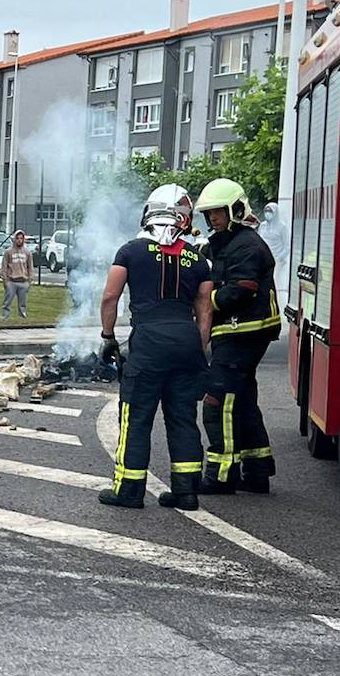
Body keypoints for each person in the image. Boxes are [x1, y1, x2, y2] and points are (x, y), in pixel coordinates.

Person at [96, 185, 212, 511]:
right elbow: (205, 312)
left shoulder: (129, 252)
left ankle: (129, 491)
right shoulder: (199, 261)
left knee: (136, 418)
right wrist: (200, 351)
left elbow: (110, 296)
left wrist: (108, 337)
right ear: (183, 221)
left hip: (148, 345)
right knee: (183, 419)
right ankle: (186, 492)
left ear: (148, 215)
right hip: (187, 343)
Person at [196, 177, 282, 495]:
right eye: (209, 214)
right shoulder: (228, 241)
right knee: (243, 400)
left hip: (243, 330)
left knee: (218, 400)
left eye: (218, 212)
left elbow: (241, 291)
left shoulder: (246, 244)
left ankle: (221, 475)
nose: (213, 219)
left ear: (234, 209)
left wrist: (207, 301)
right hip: (240, 331)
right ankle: (257, 471)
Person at [0, 231, 34, 321]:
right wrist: (5, 281)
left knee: (22, 303)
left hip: (23, 281)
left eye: (21, 238)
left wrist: (29, 281)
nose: (19, 240)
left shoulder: (27, 252)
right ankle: (4, 318)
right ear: (14, 239)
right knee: (7, 302)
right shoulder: (8, 252)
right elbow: (4, 267)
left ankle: (22, 318)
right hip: (11, 281)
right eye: (17, 238)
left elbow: (30, 267)